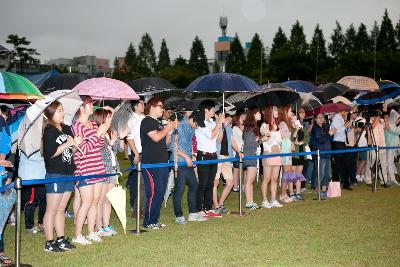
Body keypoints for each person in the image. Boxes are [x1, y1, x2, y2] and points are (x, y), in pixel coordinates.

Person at [42, 101, 82, 252]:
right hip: (55, 172)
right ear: (50, 114)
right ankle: (49, 242)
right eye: (58, 111)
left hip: (68, 172)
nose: (62, 113)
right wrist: (67, 144)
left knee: (61, 209)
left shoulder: (66, 128)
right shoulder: (49, 130)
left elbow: (71, 153)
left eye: (62, 110)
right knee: (52, 209)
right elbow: (50, 153)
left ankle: (60, 239)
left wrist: (75, 145)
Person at [72, 96, 109, 245]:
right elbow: (82, 150)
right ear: (82, 107)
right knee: (86, 202)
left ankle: (91, 232)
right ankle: (77, 234)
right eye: (90, 103)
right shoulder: (77, 126)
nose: (92, 106)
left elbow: (99, 146)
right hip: (84, 169)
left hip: (98, 166)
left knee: (95, 201)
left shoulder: (93, 123)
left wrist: (101, 134)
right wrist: (97, 135)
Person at [140, 97, 177, 229]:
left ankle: (154, 220)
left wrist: (169, 132)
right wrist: (168, 128)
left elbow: (165, 143)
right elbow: (155, 137)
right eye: (160, 106)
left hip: (162, 161)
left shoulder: (158, 123)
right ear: (152, 107)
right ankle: (148, 221)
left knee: (160, 192)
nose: (163, 109)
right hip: (151, 163)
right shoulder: (147, 121)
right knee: (154, 192)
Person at [170, 111, 207, 224]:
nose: (198, 126)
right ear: (192, 119)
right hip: (179, 161)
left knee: (194, 185)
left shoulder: (191, 128)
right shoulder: (180, 127)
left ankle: (193, 213)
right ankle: (179, 215)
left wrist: (192, 156)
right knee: (180, 188)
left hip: (187, 161)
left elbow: (188, 144)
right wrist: (186, 157)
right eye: (197, 123)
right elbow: (172, 146)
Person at [93, 108, 126, 237]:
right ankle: (99, 227)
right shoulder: (98, 132)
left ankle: (106, 225)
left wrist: (122, 138)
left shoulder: (111, 131)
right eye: (107, 117)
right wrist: (111, 143)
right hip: (103, 169)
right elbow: (99, 151)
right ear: (101, 118)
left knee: (108, 199)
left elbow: (120, 149)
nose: (109, 120)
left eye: (110, 117)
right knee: (100, 200)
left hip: (113, 169)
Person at [195, 100, 224, 218]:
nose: (214, 111)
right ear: (206, 110)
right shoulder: (200, 123)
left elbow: (218, 139)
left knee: (210, 183)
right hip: (203, 155)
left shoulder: (212, 122)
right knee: (202, 183)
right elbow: (211, 135)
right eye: (212, 109)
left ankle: (208, 208)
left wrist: (220, 125)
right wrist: (219, 123)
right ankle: (199, 209)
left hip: (213, 155)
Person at [260, 106, 282, 208]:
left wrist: (276, 131)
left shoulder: (277, 125)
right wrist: (271, 132)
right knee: (267, 178)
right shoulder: (265, 125)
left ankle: (273, 199)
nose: (277, 112)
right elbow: (265, 140)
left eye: (277, 110)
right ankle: (264, 200)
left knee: (275, 178)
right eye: (275, 110)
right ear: (270, 112)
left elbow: (279, 141)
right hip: (268, 154)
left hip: (277, 154)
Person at [126, 98, 146, 217]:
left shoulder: (143, 118)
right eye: (142, 104)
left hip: (146, 152)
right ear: (136, 106)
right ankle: (137, 210)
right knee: (141, 183)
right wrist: (136, 153)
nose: (144, 105)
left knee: (144, 182)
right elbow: (129, 138)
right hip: (138, 153)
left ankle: (141, 208)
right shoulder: (132, 120)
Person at [310, 113, 336, 198]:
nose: (321, 119)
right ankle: (318, 191)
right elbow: (320, 140)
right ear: (315, 119)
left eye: (322, 117)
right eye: (319, 117)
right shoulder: (315, 129)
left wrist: (332, 133)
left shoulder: (325, 127)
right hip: (319, 153)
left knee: (326, 173)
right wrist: (329, 134)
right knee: (319, 173)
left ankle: (324, 191)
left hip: (327, 152)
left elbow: (329, 139)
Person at [213, 112, 234, 214]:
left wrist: (239, 151)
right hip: (217, 156)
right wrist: (222, 126)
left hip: (227, 156)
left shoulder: (229, 128)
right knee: (215, 182)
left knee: (230, 183)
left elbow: (232, 141)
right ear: (217, 116)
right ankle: (216, 205)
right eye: (223, 116)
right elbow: (218, 140)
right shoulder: (214, 126)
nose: (226, 119)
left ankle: (220, 203)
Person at [243, 107, 262, 209]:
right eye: (258, 113)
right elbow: (250, 144)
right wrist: (260, 139)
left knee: (251, 180)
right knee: (249, 181)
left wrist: (260, 139)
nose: (260, 114)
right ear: (253, 114)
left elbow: (255, 142)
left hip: (252, 155)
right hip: (250, 155)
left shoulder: (252, 127)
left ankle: (251, 201)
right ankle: (248, 202)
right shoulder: (250, 128)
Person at [330, 109, 352, 190]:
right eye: (345, 111)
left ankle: (345, 182)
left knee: (344, 164)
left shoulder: (341, 118)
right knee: (338, 164)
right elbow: (335, 132)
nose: (346, 113)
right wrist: (344, 127)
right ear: (342, 111)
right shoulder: (335, 118)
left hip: (342, 143)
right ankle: (338, 182)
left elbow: (345, 131)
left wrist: (348, 127)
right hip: (337, 143)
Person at [289, 114, 308, 200]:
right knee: (292, 174)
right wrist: (296, 130)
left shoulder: (302, 128)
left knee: (299, 174)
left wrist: (302, 142)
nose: (295, 122)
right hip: (293, 154)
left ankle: (298, 192)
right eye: (293, 120)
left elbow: (307, 138)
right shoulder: (290, 129)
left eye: (296, 120)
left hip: (301, 153)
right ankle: (291, 192)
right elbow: (292, 139)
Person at [279, 106, 294, 203]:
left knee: (288, 173)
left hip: (288, 151)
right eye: (290, 111)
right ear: (285, 112)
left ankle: (284, 193)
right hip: (284, 151)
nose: (291, 112)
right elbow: (283, 136)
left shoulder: (287, 123)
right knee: (286, 172)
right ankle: (283, 194)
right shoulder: (282, 123)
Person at [231, 109, 246, 192]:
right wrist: (237, 150)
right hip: (238, 150)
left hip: (245, 150)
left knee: (245, 169)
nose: (245, 117)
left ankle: (243, 186)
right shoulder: (235, 128)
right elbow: (234, 141)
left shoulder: (246, 126)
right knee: (236, 169)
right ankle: (235, 187)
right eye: (243, 115)